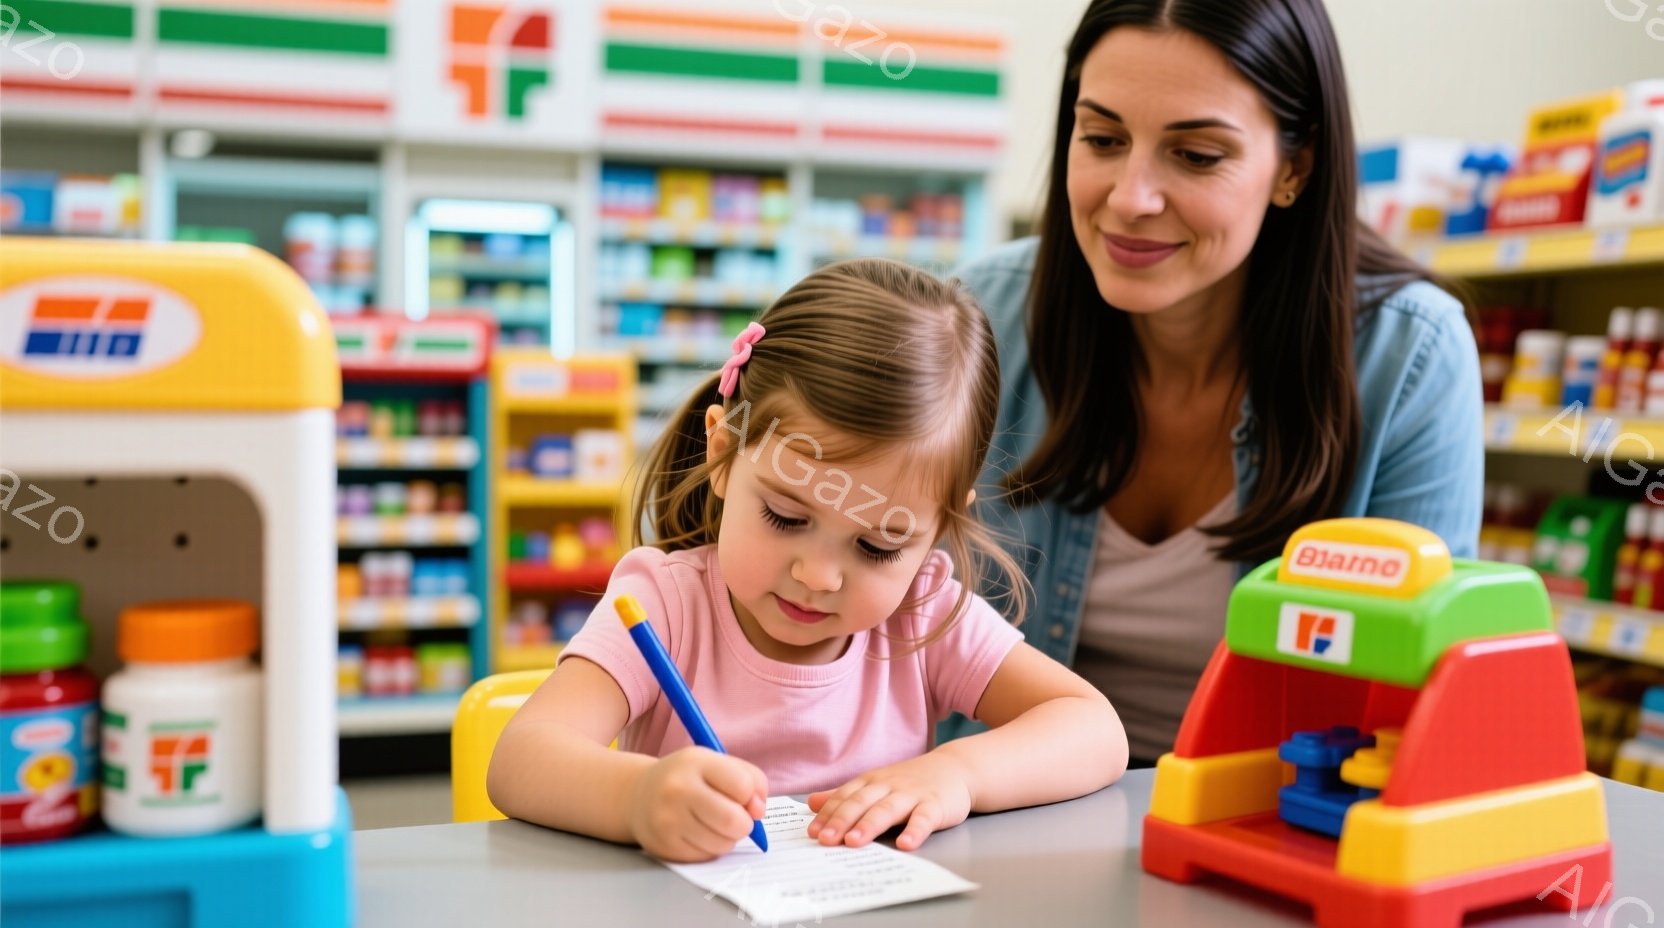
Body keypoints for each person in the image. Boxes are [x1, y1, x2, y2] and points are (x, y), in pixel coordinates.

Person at [947, 0, 1484, 765]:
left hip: (1270, 832)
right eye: (1102, 138)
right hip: (995, 808)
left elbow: (1417, 687)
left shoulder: (1410, 357)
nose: (1131, 198)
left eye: (1196, 156)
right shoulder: (979, 318)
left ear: (1294, 169)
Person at [488, 258, 1129, 863]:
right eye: (786, 518)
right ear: (721, 453)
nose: (818, 577)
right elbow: (521, 758)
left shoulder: (921, 614)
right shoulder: (664, 604)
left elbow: (1095, 729)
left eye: (878, 546)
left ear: (939, 528)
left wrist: (956, 773)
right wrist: (636, 799)